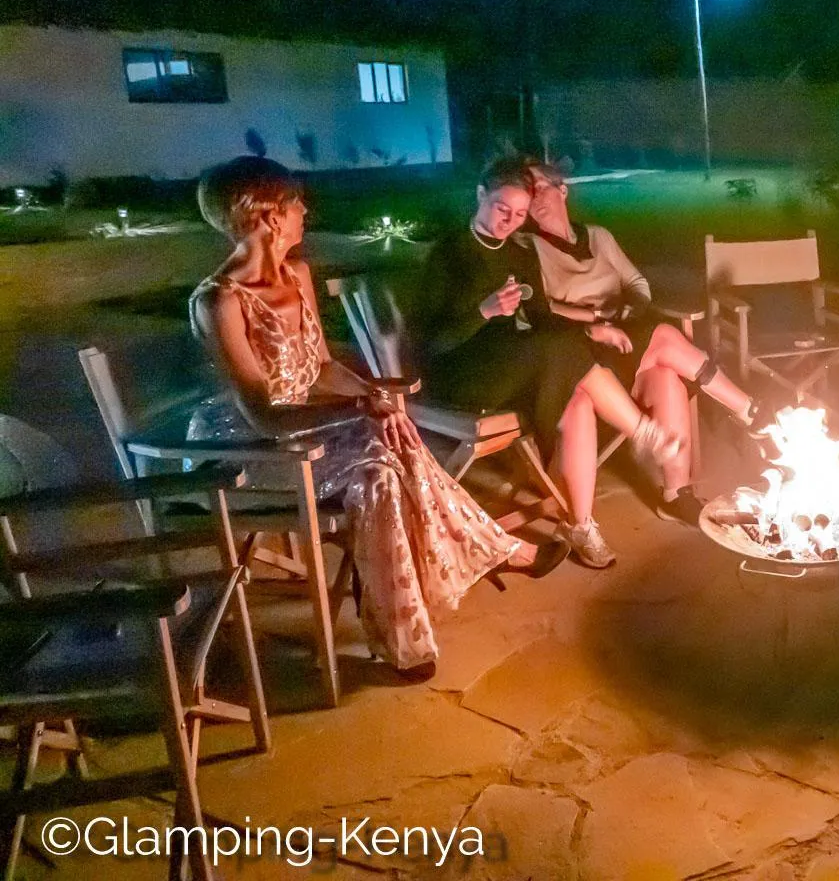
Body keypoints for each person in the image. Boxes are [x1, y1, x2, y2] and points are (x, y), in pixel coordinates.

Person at [187, 156, 564, 681]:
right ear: (268, 216)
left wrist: (371, 394)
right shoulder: (220, 301)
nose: (303, 211)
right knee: (379, 460)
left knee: (388, 451)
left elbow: (320, 368)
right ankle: (486, 557)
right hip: (249, 451)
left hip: (310, 422)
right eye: (294, 203)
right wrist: (361, 408)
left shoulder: (297, 274)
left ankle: (411, 632)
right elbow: (263, 415)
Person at [415, 157, 683, 568]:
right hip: (461, 374)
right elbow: (432, 344)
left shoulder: (519, 256)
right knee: (555, 352)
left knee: (577, 400)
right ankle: (641, 431)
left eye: (520, 215)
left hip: (514, 365)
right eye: (502, 209)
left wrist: (594, 329)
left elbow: (541, 317)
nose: (510, 221)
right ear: (481, 194)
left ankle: (580, 525)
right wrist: (483, 312)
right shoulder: (450, 253)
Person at [518, 159, 768, 526]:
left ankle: (676, 495)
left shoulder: (598, 237)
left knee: (666, 376)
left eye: (541, 186)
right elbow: (540, 308)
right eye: (529, 192)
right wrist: (596, 317)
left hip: (625, 341)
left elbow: (638, 284)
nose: (536, 197)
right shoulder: (528, 247)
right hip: (579, 350)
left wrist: (630, 307)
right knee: (666, 336)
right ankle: (749, 410)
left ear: (562, 190)